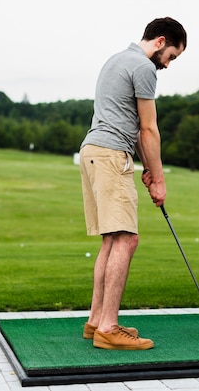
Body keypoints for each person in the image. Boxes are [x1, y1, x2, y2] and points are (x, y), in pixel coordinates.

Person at [79, 17, 187, 350]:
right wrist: (159, 178)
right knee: (127, 239)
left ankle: (97, 320)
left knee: (112, 240)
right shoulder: (143, 67)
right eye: (170, 56)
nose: (167, 65)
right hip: (111, 154)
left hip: (93, 151)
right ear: (160, 41)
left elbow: (127, 120)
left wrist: (144, 166)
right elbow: (148, 129)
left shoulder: (116, 59)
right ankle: (109, 328)